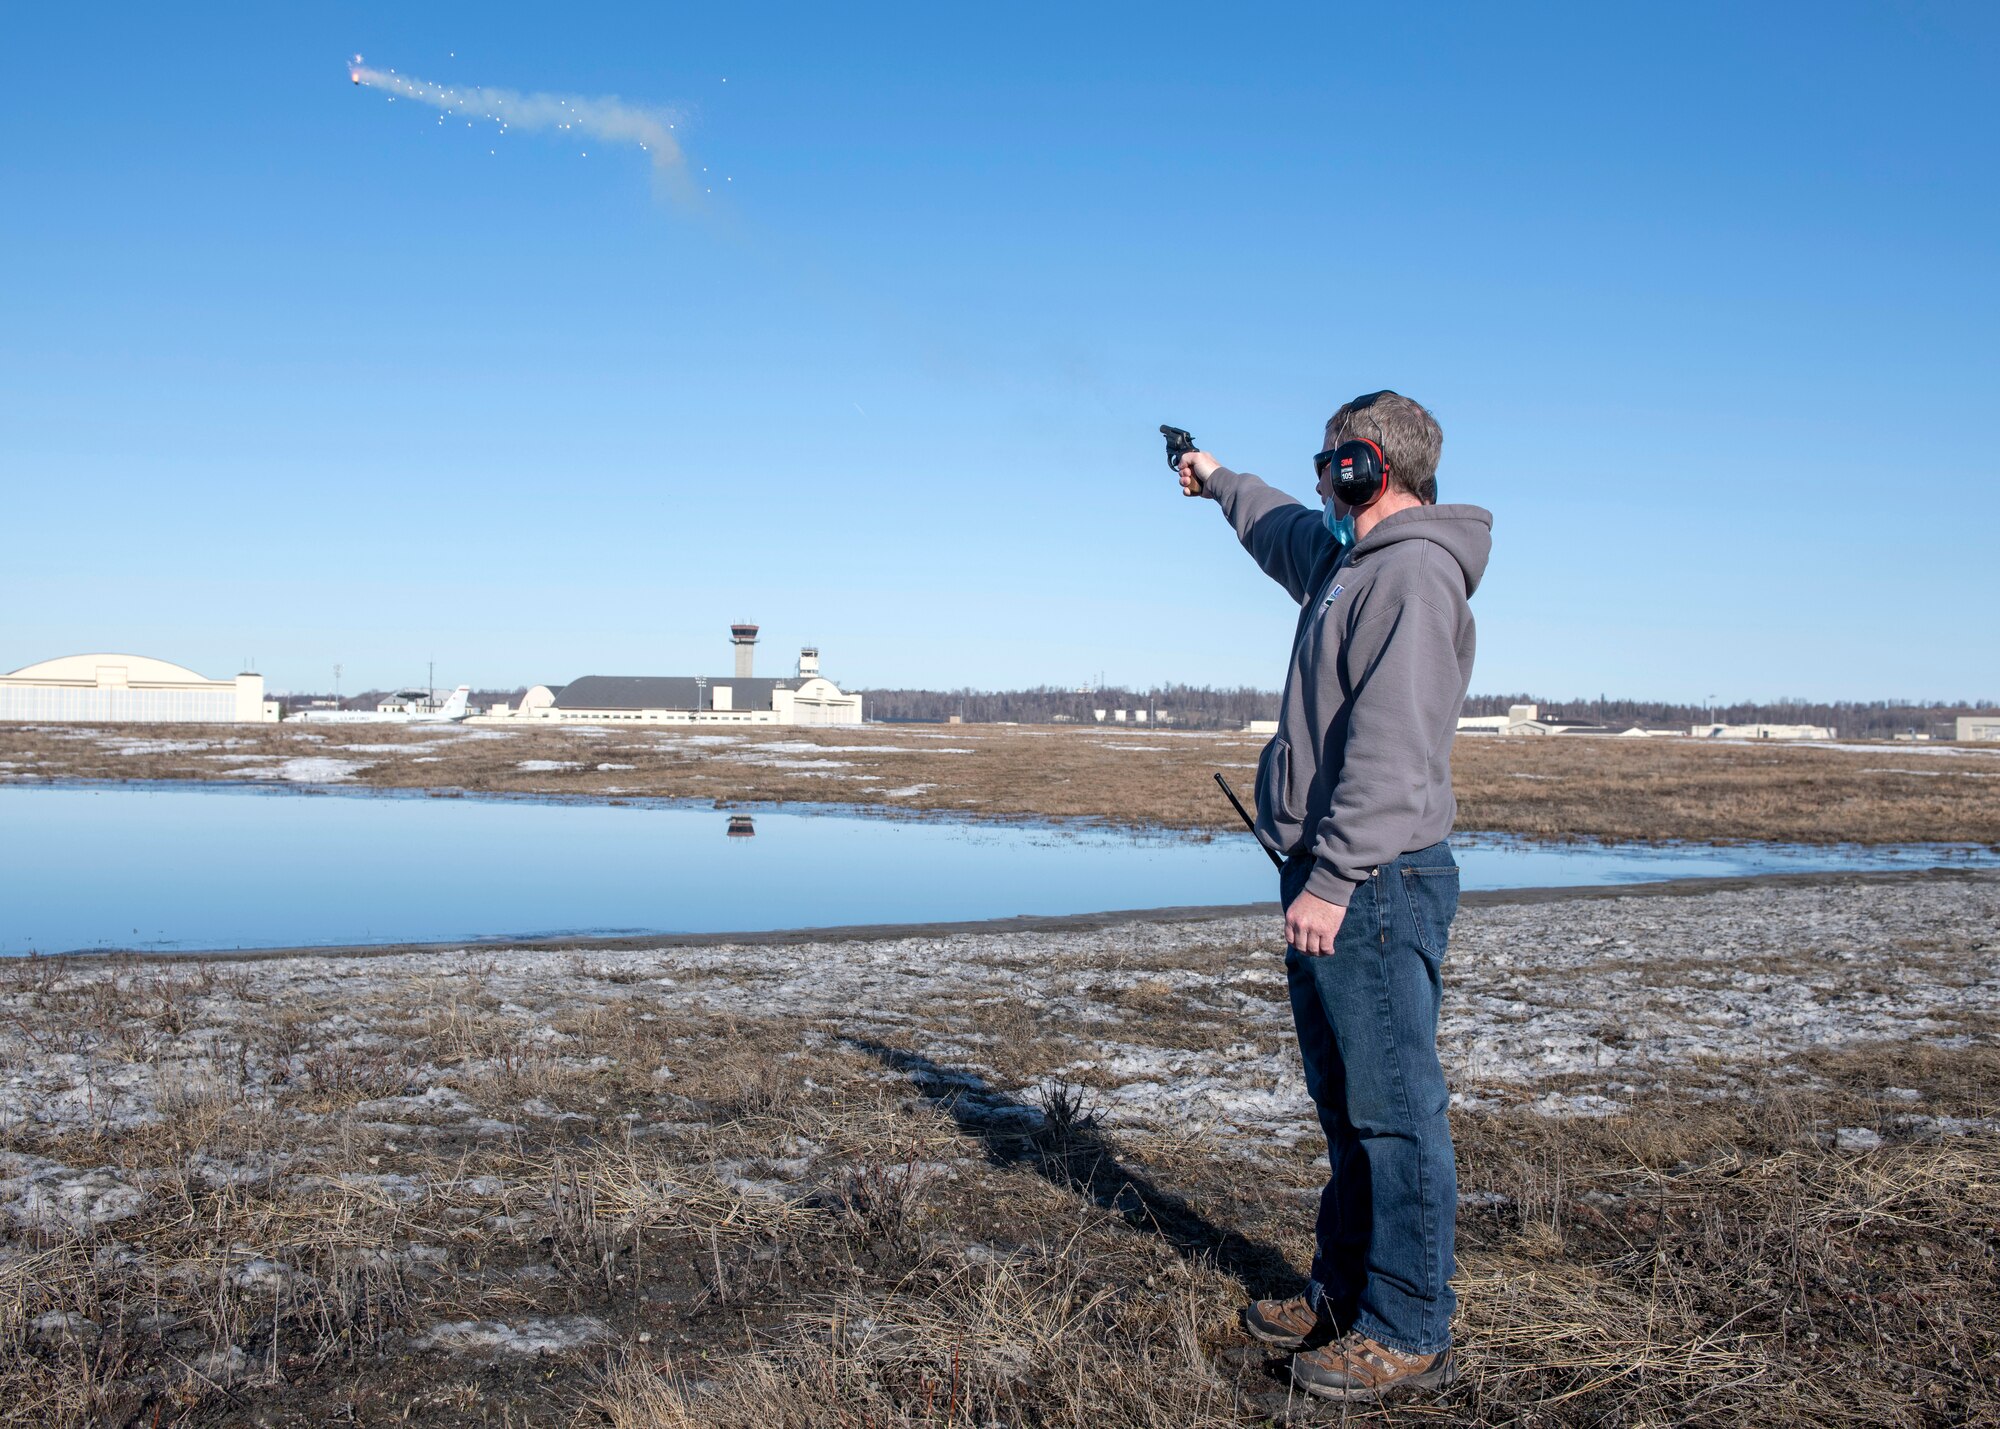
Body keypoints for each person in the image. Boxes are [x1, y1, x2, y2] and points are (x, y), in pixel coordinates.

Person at [1175, 391, 1491, 1402]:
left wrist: (1334, 874)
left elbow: (1392, 757)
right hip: (1335, 876)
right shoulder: (1346, 565)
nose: (1315, 479)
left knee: (1393, 1110)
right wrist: (1216, 480)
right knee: (1347, 1102)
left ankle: (1406, 1327)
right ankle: (1343, 1291)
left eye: (1327, 463)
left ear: (1365, 466)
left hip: (1372, 882)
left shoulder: (1409, 576)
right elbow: (1279, 532)